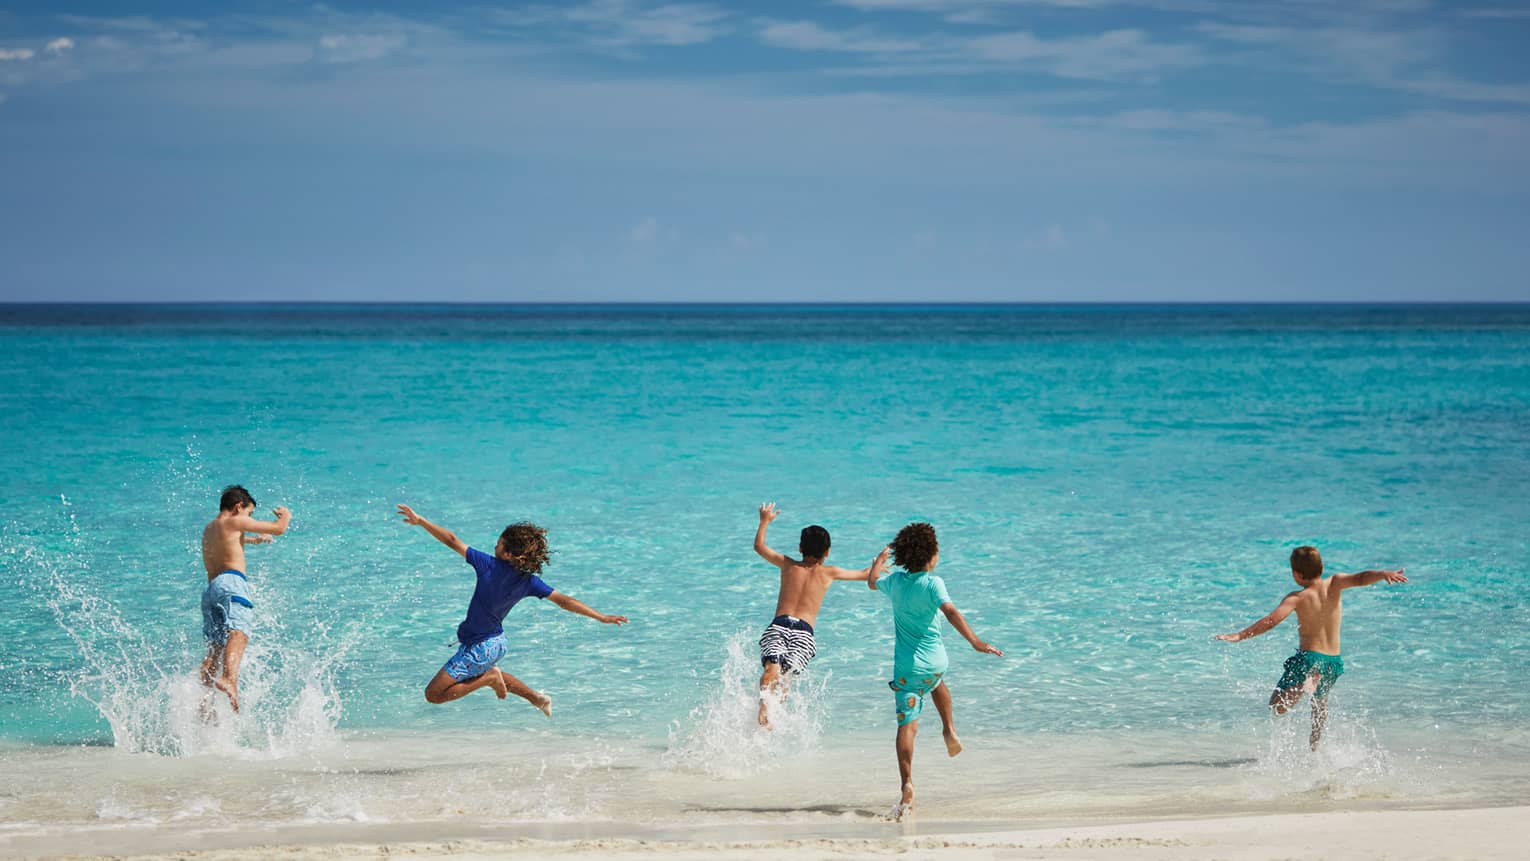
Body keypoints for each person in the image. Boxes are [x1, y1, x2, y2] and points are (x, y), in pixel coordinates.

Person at [397, 503, 628, 716]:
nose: (494, 546)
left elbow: (451, 540)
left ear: (508, 553)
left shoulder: (488, 565)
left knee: (434, 694)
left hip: (481, 647)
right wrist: (601, 617)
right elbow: (564, 601)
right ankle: (537, 698)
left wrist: (421, 521)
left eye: (498, 543)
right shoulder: (529, 581)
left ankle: (489, 679)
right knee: (484, 671)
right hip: (496, 643)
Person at [868, 522, 1002, 820]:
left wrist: (878, 563)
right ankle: (949, 728)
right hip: (935, 662)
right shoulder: (933, 583)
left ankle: (907, 785)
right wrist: (976, 642)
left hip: (906, 671)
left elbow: (872, 581)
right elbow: (951, 612)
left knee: (908, 725)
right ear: (930, 555)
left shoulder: (897, 583)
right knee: (938, 683)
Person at [1217, 545, 1407, 750]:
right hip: (1333, 661)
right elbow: (1361, 578)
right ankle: (1315, 746)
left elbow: (1271, 620)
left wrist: (1240, 635)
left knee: (1276, 706)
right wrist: (1382, 574)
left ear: (1296, 574)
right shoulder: (1335, 583)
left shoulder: (1297, 598)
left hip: (1310, 658)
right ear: (1322, 566)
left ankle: (1304, 685)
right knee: (1320, 702)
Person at [752, 502, 879, 728]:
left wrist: (764, 522)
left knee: (772, 667)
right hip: (804, 633)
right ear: (827, 552)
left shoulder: (788, 565)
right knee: (786, 676)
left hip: (780, 625)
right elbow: (864, 575)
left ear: (800, 548)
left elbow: (760, 547)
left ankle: (763, 710)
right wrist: (879, 565)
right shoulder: (829, 573)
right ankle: (773, 718)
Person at [199, 484, 291, 714]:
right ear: (239, 506)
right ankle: (229, 678)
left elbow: (231, 540)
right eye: (249, 513)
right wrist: (286, 516)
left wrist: (254, 541)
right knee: (239, 632)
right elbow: (278, 528)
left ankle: (203, 698)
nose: (249, 518)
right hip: (232, 583)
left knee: (216, 648)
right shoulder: (235, 520)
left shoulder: (210, 528)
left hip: (212, 590)